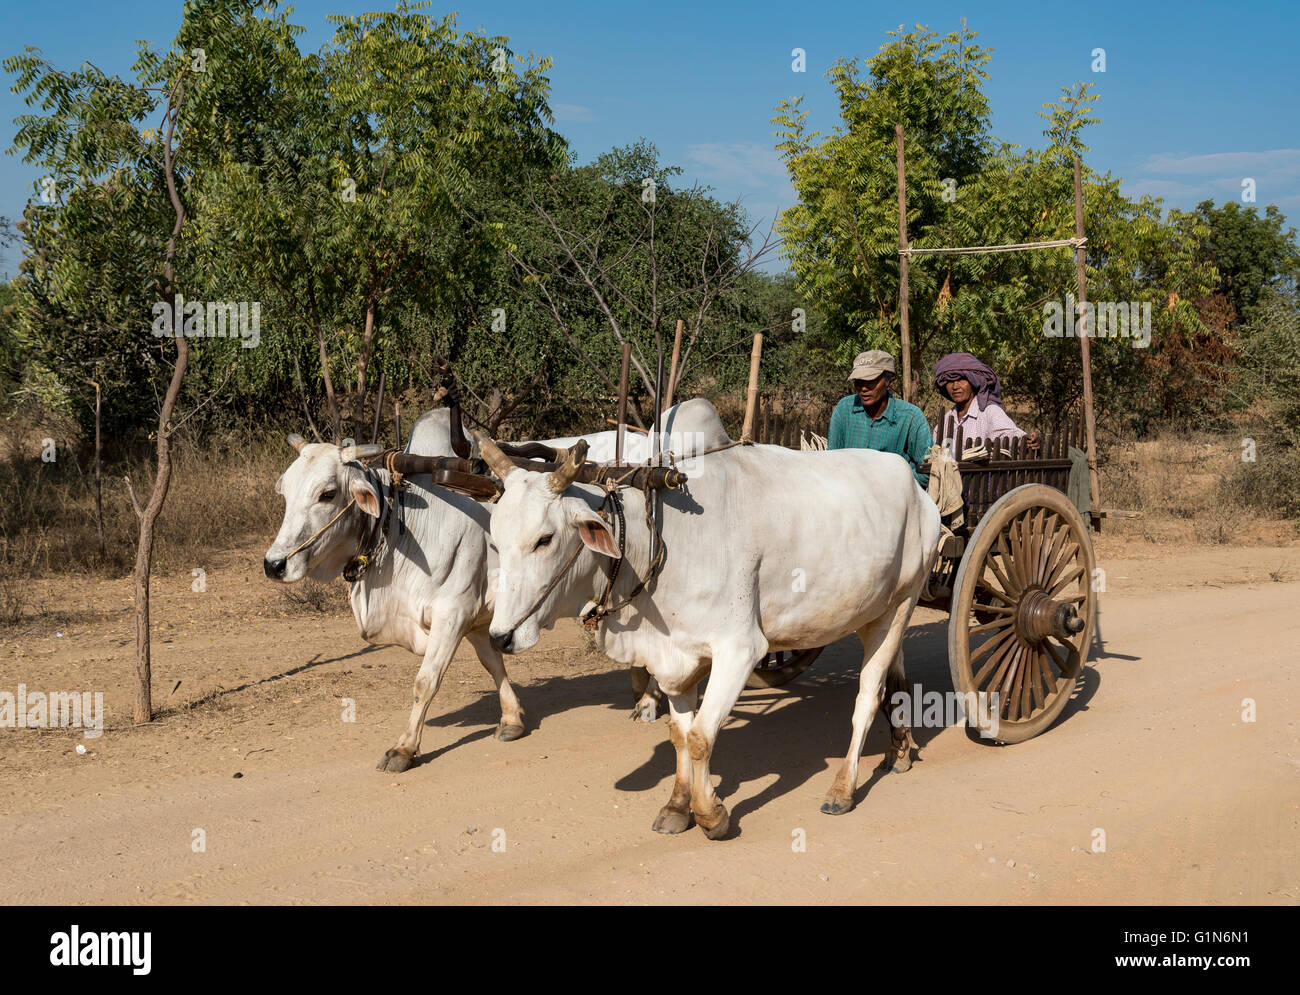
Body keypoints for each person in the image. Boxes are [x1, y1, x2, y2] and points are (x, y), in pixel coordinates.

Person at [827, 349, 932, 488]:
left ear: (890, 382)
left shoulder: (911, 417)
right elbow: (831, 462)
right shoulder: (844, 409)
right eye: (858, 381)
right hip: (850, 495)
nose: (863, 388)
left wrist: (892, 487)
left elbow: (928, 470)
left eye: (871, 381)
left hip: (895, 498)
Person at [931, 352, 1038, 452]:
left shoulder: (989, 412)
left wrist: (1028, 440)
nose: (955, 386)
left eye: (961, 380)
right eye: (950, 381)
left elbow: (1009, 435)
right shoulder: (946, 420)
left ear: (974, 382)